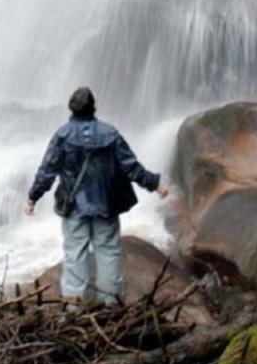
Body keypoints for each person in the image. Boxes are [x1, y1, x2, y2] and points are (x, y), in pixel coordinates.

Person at [24, 87, 168, 305]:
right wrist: (155, 184)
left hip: (73, 207)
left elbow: (47, 172)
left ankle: (74, 307)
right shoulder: (110, 134)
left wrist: (32, 198)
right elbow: (132, 168)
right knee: (109, 252)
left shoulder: (62, 135)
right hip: (105, 205)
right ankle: (111, 305)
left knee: (74, 254)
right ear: (95, 108)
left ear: (71, 109)